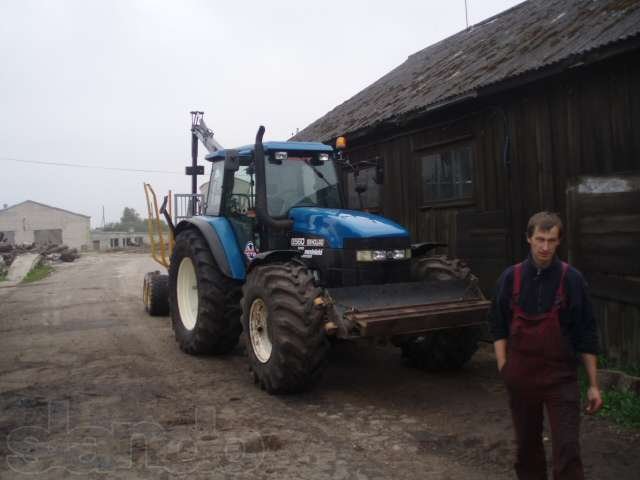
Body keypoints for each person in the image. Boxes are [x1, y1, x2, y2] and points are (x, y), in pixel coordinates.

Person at [490, 211, 603, 480]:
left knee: (567, 448)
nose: (544, 247)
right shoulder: (511, 278)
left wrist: (594, 385)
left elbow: (586, 333)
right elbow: (497, 326)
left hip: (560, 378)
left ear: (558, 241)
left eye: (551, 240)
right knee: (527, 450)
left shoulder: (572, 279)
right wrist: (504, 367)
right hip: (521, 376)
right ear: (528, 239)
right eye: (539, 239)